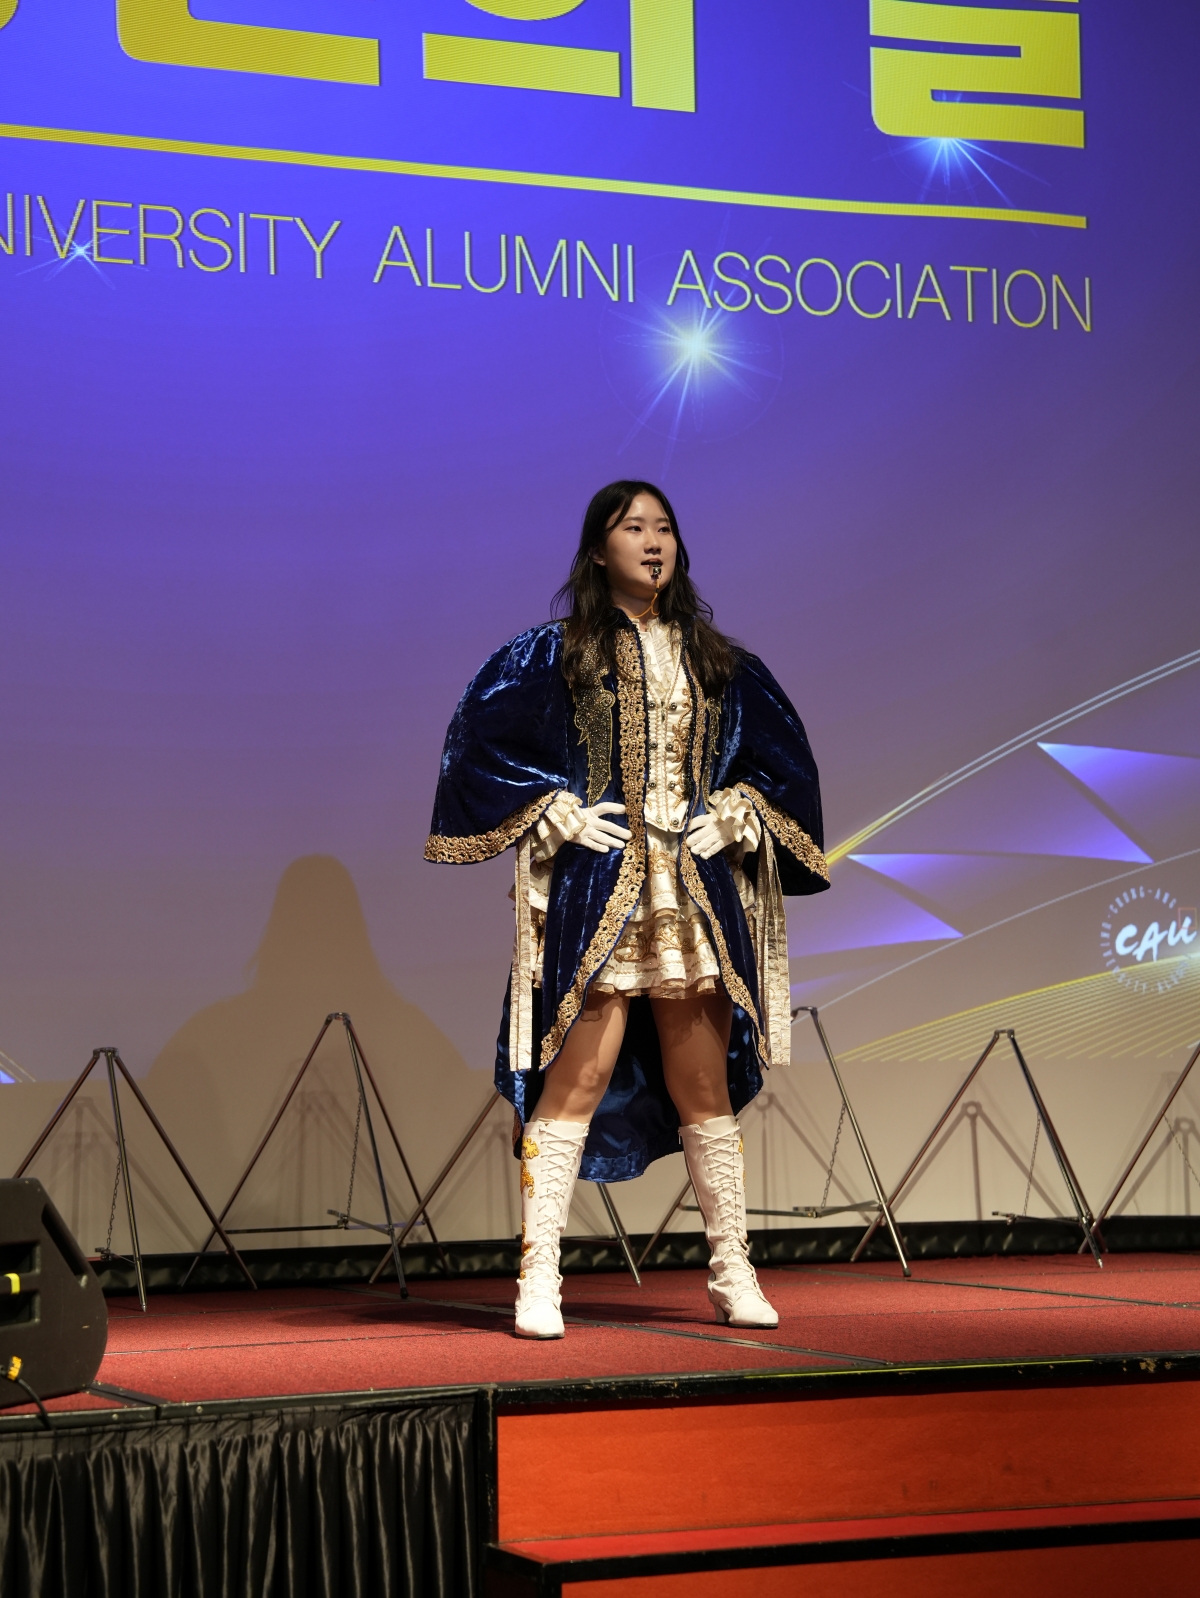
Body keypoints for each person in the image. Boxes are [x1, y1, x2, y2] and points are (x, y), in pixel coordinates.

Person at [426, 481, 828, 1338]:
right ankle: (539, 1276)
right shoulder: (555, 655)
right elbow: (479, 748)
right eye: (633, 527)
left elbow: (782, 767)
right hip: (602, 890)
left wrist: (743, 810)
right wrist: (550, 807)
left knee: (703, 1085)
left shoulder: (720, 663)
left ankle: (732, 1269)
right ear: (598, 549)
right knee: (576, 1078)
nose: (653, 541)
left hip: (692, 896)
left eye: (664, 527)